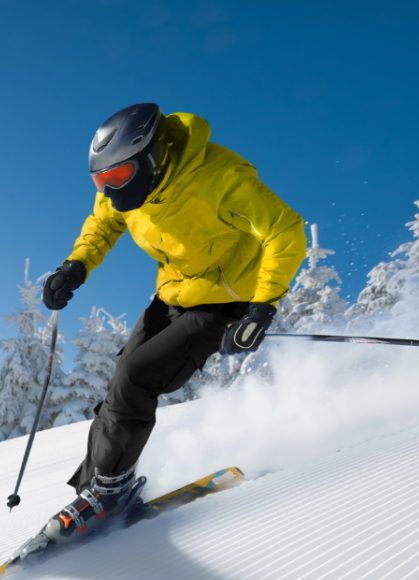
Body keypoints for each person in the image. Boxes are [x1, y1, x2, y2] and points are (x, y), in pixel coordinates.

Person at [28, 103, 306, 552]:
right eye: (100, 181)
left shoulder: (219, 178)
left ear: (152, 157)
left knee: (137, 378)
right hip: (173, 294)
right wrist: (75, 266)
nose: (108, 190)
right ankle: (96, 489)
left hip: (225, 302)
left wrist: (261, 309)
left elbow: (286, 230)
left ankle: (108, 493)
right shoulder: (127, 190)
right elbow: (103, 221)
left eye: (116, 178)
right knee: (122, 378)